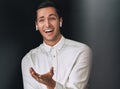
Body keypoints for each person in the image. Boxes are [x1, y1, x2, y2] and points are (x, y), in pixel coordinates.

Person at [21, 0, 92, 89]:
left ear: (60, 21)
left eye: (52, 18)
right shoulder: (29, 59)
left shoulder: (81, 51)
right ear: (37, 25)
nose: (47, 24)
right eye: (41, 20)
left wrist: (51, 84)